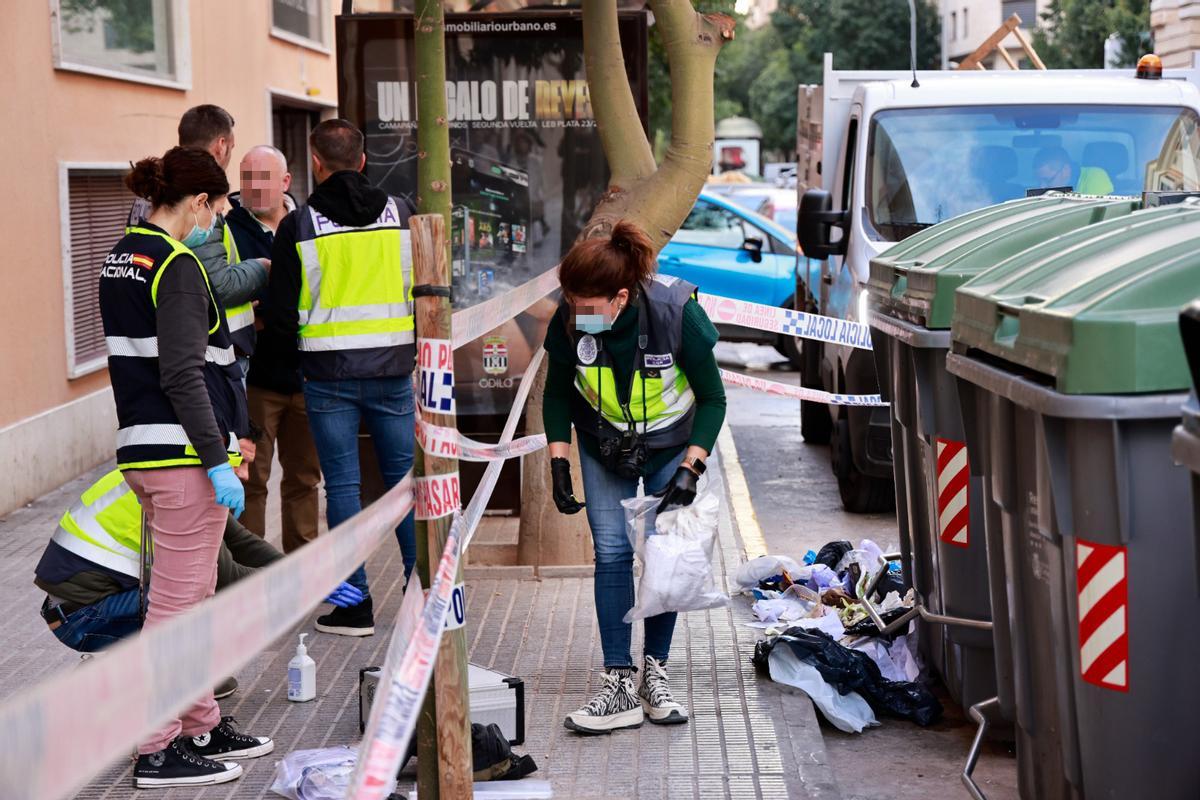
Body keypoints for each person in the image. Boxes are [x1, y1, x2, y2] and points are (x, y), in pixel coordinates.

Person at [102, 146, 273, 788]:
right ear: (199, 202)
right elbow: (182, 371)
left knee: (190, 596)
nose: (223, 216)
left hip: (148, 449)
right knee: (176, 607)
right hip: (182, 456)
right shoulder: (174, 264)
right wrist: (216, 457)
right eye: (221, 204)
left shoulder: (125, 254)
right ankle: (156, 747)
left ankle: (200, 720)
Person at [541, 221, 727, 735]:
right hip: (603, 444)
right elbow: (557, 394)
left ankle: (655, 673)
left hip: (672, 445)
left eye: (587, 305)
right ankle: (619, 680)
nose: (576, 314)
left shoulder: (675, 313)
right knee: (614, 554)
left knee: (664, 554)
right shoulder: (570, 318)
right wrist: (558, 460)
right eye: (570, 301)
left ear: (621, 297)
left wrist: (692, 468)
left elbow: (713, 399)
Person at [267, 119, 417, 637]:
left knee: (344, 489)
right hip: (394, 370)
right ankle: (423, 591)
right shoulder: (402, 214)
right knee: (404, 482)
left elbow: (283, 314)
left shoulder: (300, 225)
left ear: (316, 162)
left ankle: (355, 607)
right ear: (363, 160)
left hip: (328, 376)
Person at [33, 466, 361, 657]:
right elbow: (224, 576)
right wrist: (305, 584)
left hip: (77, 605)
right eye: (238, 461)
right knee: (205, 595)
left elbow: (242, 542)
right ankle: (157, 688)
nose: (246, 474)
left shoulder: (174, 471)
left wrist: (303, 570)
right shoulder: (182, 493)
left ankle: (174, 681)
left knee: (198, 590)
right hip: (81, 618)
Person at [227, 145, 321, 553]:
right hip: (256, 381)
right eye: (247, 178)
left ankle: (302, 573)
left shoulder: (310, 225)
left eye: (264, 178)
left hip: (307, 374)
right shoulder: (227, 230)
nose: (254, 187)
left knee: (304, 479)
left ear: (285, 182)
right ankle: (251, 575)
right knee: (251, 479)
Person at [128, 105, 269, 379]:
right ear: (222, 145)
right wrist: (263, 268)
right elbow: (218, 284)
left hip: (165, 345)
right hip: (210, 354)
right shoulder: (199, 195)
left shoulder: (157, 189)